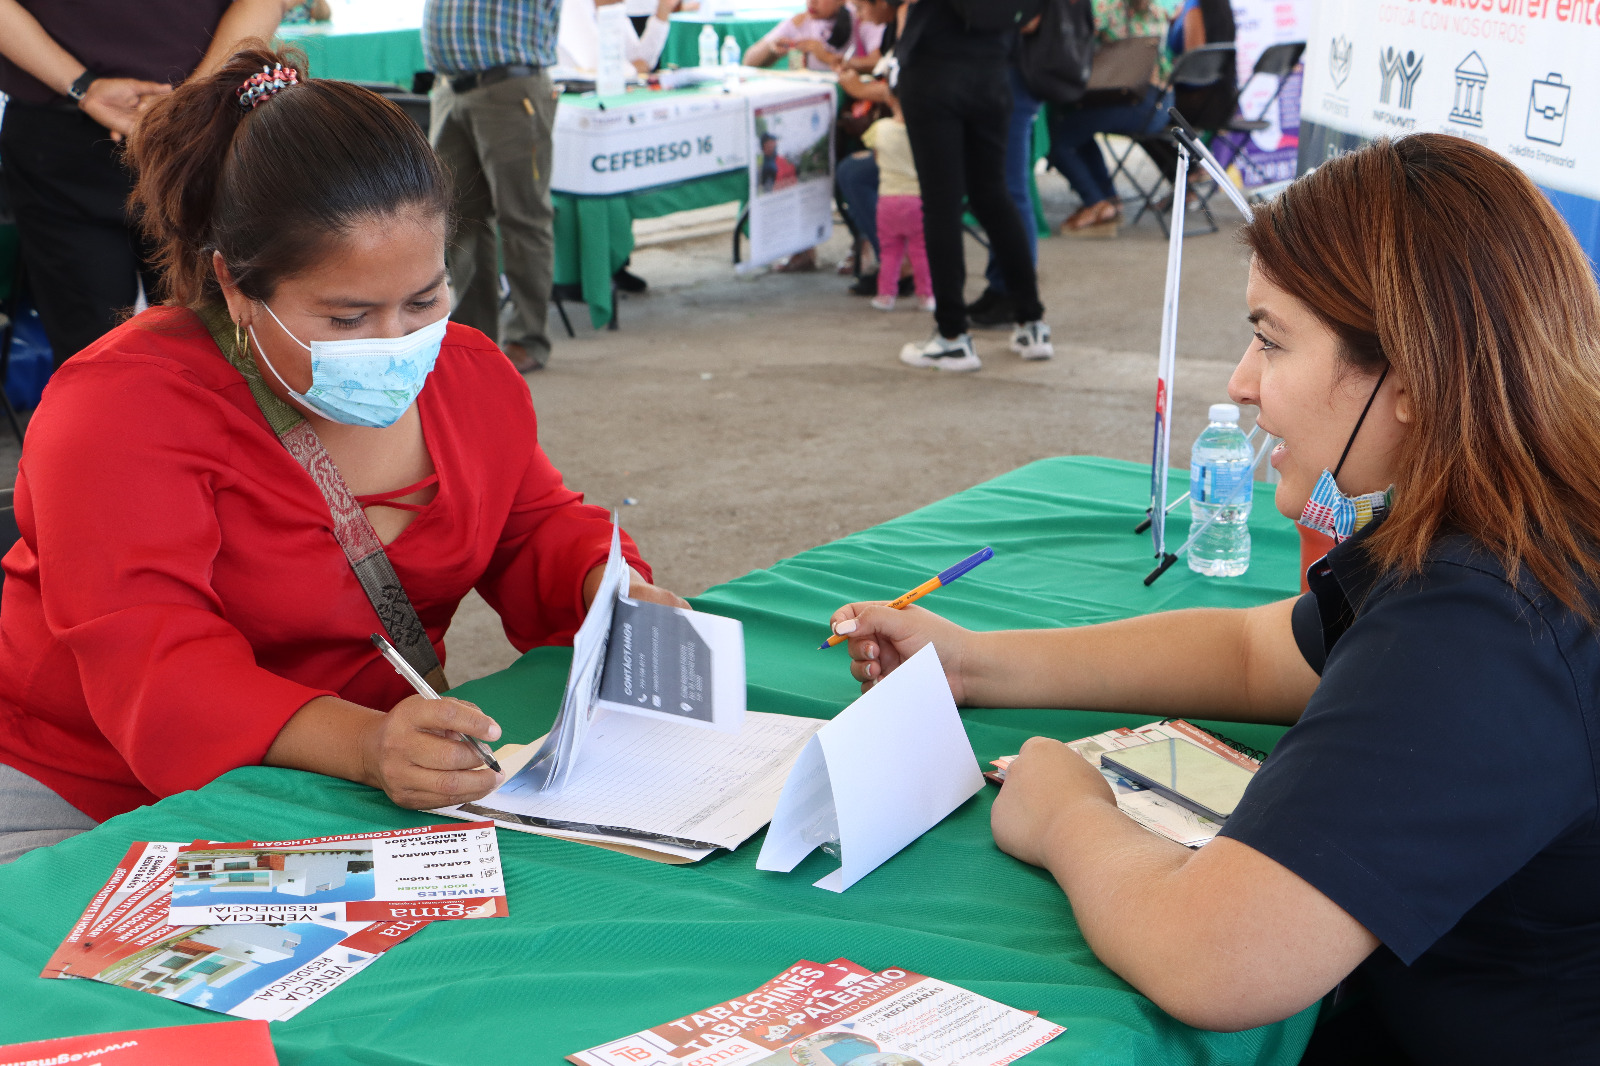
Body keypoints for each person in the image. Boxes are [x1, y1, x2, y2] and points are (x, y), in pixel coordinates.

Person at [827, 135, 1600, 1064]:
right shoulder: (1525, 514)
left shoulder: (1484, 617)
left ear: (1412, 374)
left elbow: (1218, 957)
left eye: (1272, 341)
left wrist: (1070, 813)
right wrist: (977, 662)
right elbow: (1258, 651)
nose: (1241, 384)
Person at [0, 45, 688, 866]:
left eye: (425, 298)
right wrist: (366, 746)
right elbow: (158, 666)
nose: (398, 342)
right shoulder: (119, 409)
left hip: (347, 779)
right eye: (348, 316)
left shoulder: (468, 375)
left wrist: (615, 594)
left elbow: (531, 527)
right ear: (233, 286)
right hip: (84, 789)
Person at [0, 0, 289, 367]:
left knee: (223, 348)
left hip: (202, 131)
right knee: (94, 358)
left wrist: (190, 99)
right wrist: (83, 87)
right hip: (63, 135)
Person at [894, 0, 1052, 372]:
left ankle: (952, 337)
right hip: (993, 71)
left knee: (941, 205)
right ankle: (1032, 324)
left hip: (934, 71)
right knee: (993, 196)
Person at [424, 0, 560, 373]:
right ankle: (474, 340)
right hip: (450, 89)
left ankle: (528, 338)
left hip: (510, 86)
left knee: (523, 217)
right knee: (458, 220)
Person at [1045, 0, 1182, 235]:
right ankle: (1107, 198)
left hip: (1134, 102)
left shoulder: (1106, 7)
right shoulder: (1162, 5)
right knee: (1078, 130)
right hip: (1162, 102)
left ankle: (1097, 202)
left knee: (1057, 139)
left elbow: (1072, 36)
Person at [861, 98, 932, 313]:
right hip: (916, 199)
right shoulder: (926, 129)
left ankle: (885, 295)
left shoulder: (880, 128)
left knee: (890, 252)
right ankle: (926, 296)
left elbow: (876, 157)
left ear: (890, 99)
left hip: (888, 199)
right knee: (920, 252)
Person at [742, 0, 883, 74]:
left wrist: (826, 56)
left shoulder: (861, 15)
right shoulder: (800, 21)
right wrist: (771, 50)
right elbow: (748, 60)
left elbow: (879, 63)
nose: (812, 1)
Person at [557, 0, 676, 75]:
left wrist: (662, 13)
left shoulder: (613, 7)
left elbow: (643, 61)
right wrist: (633, 69)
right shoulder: (571, 5)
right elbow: (598, 66)